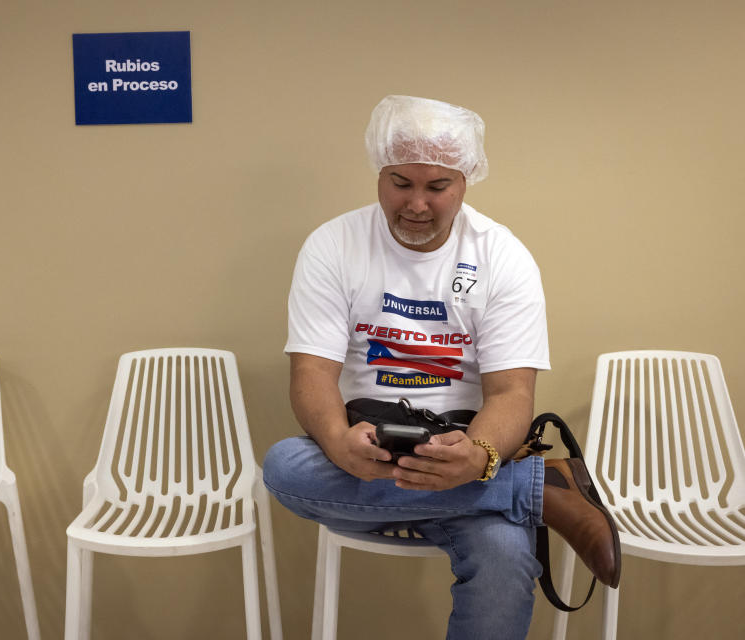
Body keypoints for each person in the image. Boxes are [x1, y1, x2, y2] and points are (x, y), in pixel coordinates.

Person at [263, 95, 620, 639]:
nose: (417, 204)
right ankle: (534, 489)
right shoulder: (333, 245)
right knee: (285, 465)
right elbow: (311, 373)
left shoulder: (502, 256)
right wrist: (337, 442)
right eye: (400, 183)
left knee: (505, 559)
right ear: (380, 174)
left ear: (465, 181)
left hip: (466, 451)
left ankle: (495, 486)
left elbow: (509, 396)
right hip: (365, 457)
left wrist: (477, 457)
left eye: (437, 186)